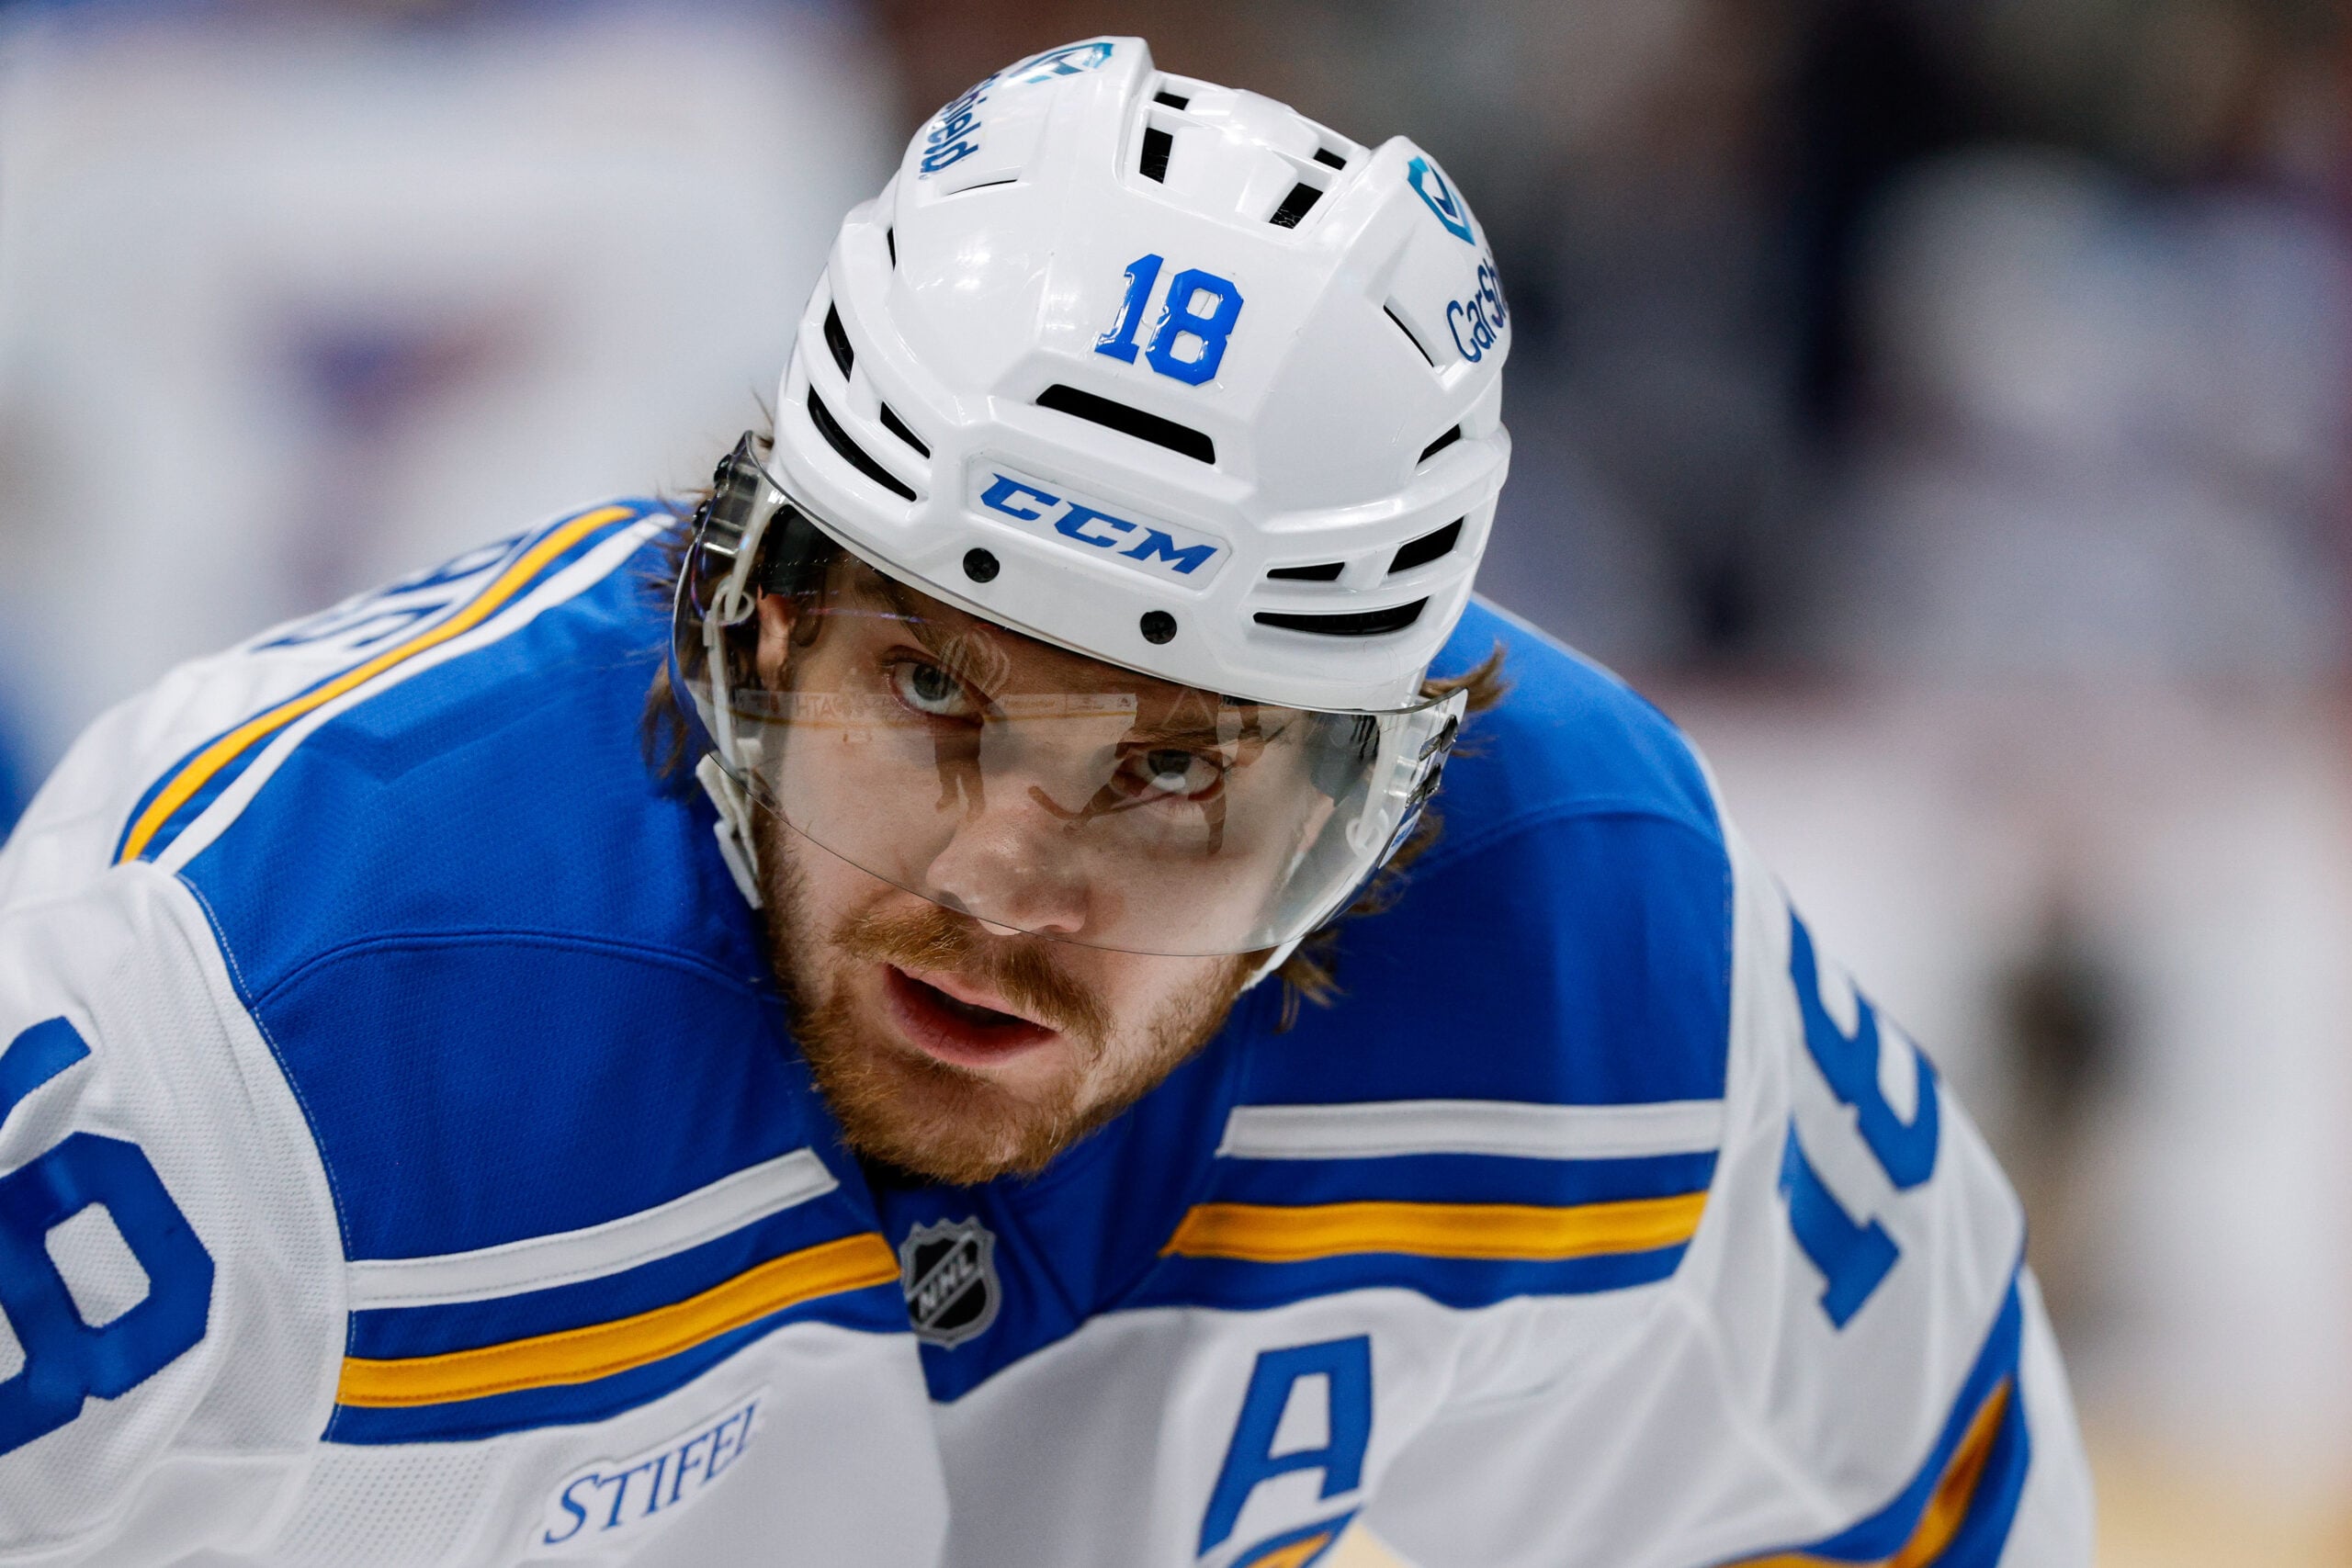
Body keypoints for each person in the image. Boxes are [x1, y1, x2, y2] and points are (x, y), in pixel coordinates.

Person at [0, 38, 2090, 1568]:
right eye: (929, 690)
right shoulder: (271, 985)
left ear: (1375, 802)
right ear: (748, 624)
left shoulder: (1600, 947)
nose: (1004, 879)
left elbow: (1917, 1486)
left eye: (1170, 766)